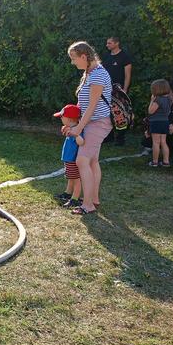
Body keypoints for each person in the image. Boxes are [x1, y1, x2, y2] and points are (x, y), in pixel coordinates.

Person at [63, 41, 112, 215]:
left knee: (82, 161)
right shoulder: (90, 73)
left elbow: (92, 106)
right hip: (91, 122)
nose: (73, 62)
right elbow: (82, 104)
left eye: (74, 58)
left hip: (97, 123)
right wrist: (72, 124)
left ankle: (88, 205)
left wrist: (78, 128)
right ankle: (94, 199)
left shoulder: (98, 74)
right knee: (92, 161)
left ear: (84, 56)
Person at [142, 88, 173, 163]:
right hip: (165, 127)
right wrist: (148, 129)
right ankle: (159, 152)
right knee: (148, 139)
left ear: (171, 93)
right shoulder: (159, 101)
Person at [102, 37, 132, 145]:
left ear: (117, 43)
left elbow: (128, 75)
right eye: (107, 43)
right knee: (106, 114)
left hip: (119, 91)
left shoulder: (125, 57)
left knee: (120, 115)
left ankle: (120, 139)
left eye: (109, 43)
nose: (107, 45)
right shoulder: (106, 56)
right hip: (106, 90)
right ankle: (108, 136)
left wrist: (124, 90)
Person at [53, 104, 85, 208]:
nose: (61, 118)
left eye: (62, 116)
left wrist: (75, 134)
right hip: (68, 158)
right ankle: (68, 193)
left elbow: (81, 142)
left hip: (73, 159)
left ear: (70, 119)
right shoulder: (71, 127)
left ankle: (75, 198)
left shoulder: (77, 129)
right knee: (70, 177)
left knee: (76, 179)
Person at [147, 79, 173, 167]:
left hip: (156, 122)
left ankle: (155, 162)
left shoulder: (158, 99)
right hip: (165, 121)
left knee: (156, 142)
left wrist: (151, 101)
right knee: (163, 142)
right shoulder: (169, 98)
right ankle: (166, 161)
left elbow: (150, 111)